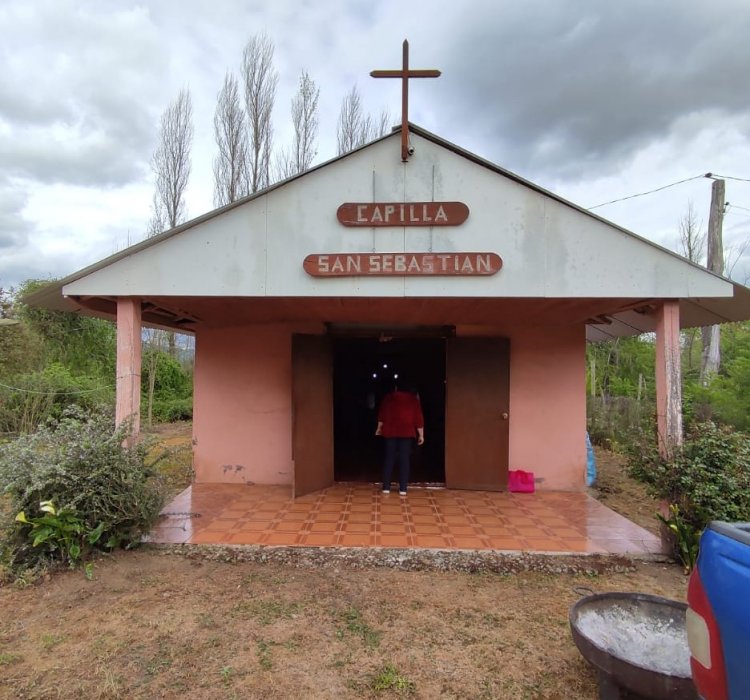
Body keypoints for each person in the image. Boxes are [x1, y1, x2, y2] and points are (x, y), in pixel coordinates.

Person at [375, 381, 424, 496]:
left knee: (389, 458)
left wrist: (379, 428)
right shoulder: (413, 400)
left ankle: (386, 487)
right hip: (406, 432)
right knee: (404, 459)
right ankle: (403, 489)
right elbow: (418, 418)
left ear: (396, 387)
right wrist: (421, 434)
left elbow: (382, 414)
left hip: (390, 431)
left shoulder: (388, 398)